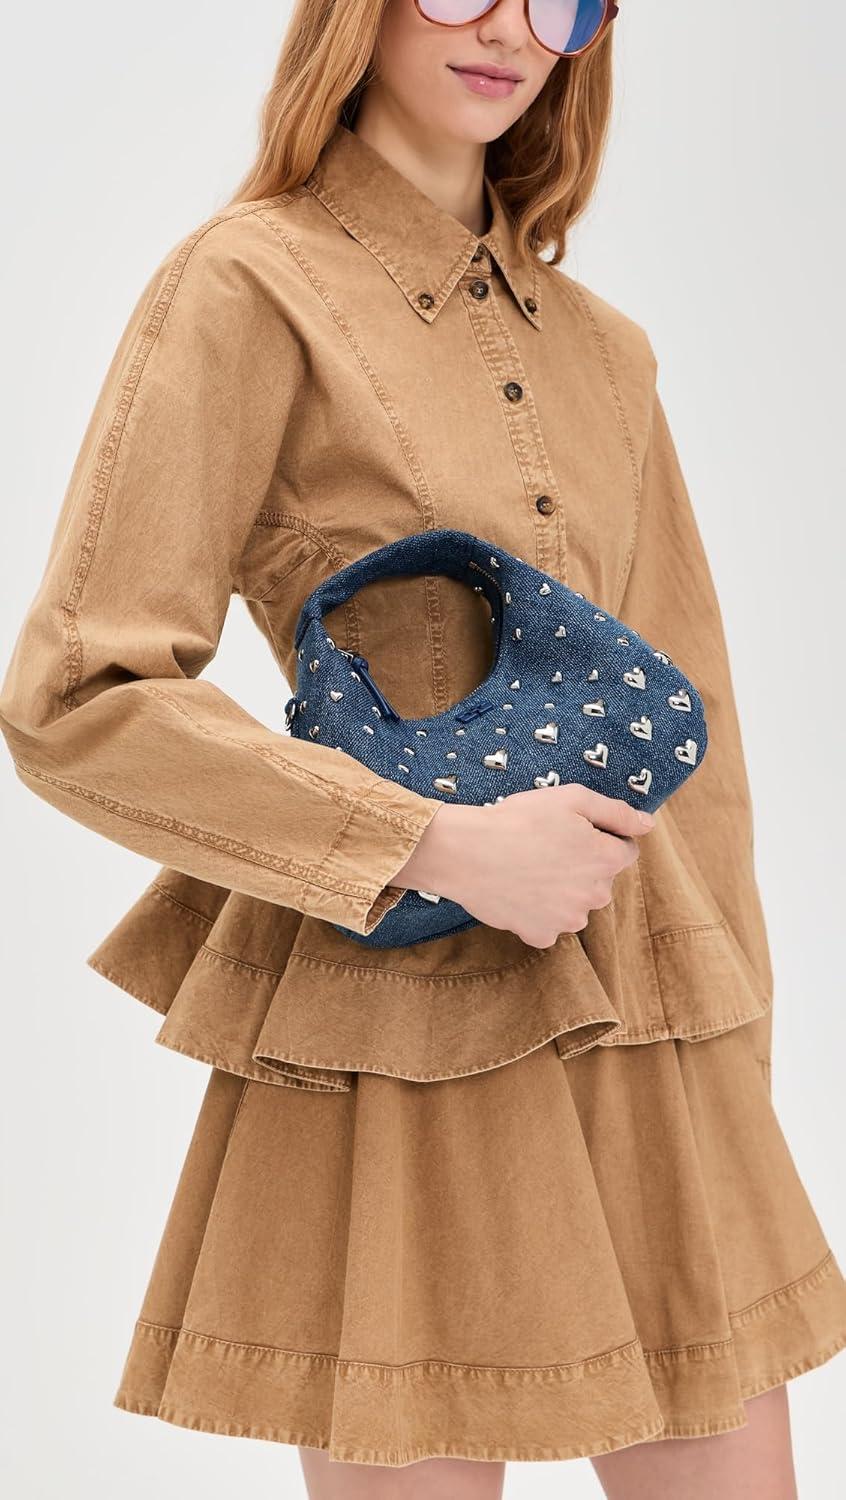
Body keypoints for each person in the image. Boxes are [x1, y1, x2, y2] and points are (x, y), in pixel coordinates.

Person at [1, 1, 844, 1496]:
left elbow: (699, 756)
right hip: (399, 1027)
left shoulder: (608, 353)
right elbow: (81, 693)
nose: (510, 28)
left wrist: (738, 1060)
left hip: (650, 1022)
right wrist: (428, 845)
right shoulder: (249, 283)